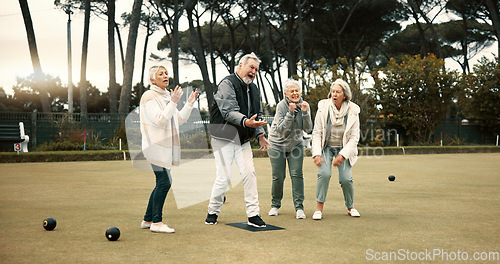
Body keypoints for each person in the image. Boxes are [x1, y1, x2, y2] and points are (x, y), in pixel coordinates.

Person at [205, 52, 270, 228]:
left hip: (242, 139)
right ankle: (213, 211)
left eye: (256, 69)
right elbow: (228, 111)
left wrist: (260, 134)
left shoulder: (254, 89)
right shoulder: (227, 83)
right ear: (240, 65)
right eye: (251, 67)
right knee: (224, 178)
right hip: (222, 136)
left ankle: (253, 214)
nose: (254, 72)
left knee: (249, 173)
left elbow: (258, 115)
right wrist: (246, 121)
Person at [139, 65, 198, 233]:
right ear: (152, 80)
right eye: (160, 74)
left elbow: (178, 119)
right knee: (164, 181)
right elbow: (160, 120)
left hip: (165, 147)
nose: (165, 76)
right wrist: (173, 102)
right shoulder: (149, 96)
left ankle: (147, 219)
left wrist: (189, 103)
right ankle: (156, 223)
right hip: (154, 146)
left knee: (162, 181)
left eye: (166, 73)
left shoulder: (166, 96)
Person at [311, 78, 361, 220]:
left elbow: (354, 138)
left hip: (343, 149)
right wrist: (316, 154)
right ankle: (319, 209)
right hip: (326, 147)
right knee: (324, 174)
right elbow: (317, 133)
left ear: (344, 95)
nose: (334, 94)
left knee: (346, 179)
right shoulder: (323, 108)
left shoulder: (353, 111)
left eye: (338, 92)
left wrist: (343, 155)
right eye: (332, 91)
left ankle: (350, 207)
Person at [267, 78, 312, 219]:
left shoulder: (305, 105)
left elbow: (308, 128)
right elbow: (281, 131)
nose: (295, 93)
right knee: (278, 176)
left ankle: (299, 208)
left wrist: (304, 113)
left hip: (296, 144)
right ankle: (275, 205)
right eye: (291, 91)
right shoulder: (281, 106)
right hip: (276, 144)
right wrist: (291, 113)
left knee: (297, 174)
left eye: (297, 90)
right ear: (285, 94)